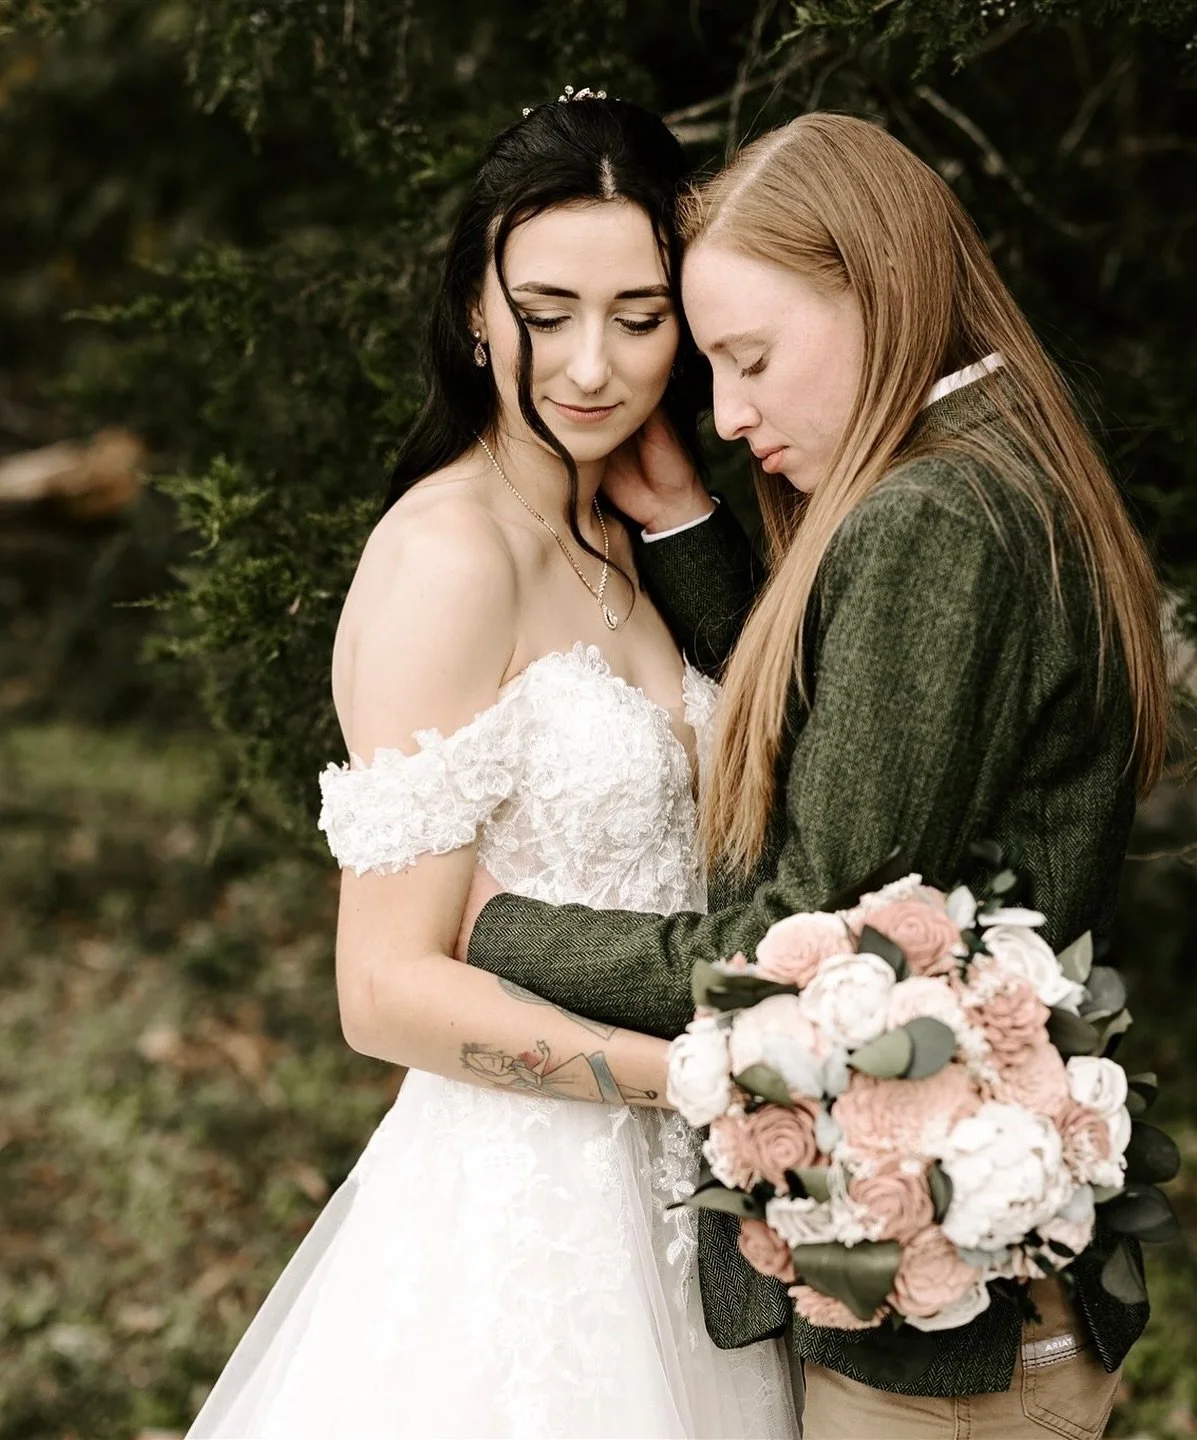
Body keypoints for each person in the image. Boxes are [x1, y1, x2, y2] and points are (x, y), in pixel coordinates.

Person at [466, 112, 1170, 1439]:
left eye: (750, 358)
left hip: (936, 1349)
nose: (728, 415)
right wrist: (685, 529)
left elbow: (793, 943)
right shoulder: (997, 468)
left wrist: (501, 927)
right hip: (1014, 1314)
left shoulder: (932, 522)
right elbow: (870, 734)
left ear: (875, 286)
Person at [187, 93, 799, 1440]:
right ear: (476, 305)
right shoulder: (447, 559)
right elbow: (383, 989)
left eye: (641, 319)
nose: (592, 365)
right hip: (529, 1205)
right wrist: (696, 1078)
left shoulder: (626, 522)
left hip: (697, 1199)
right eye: (545, 310)